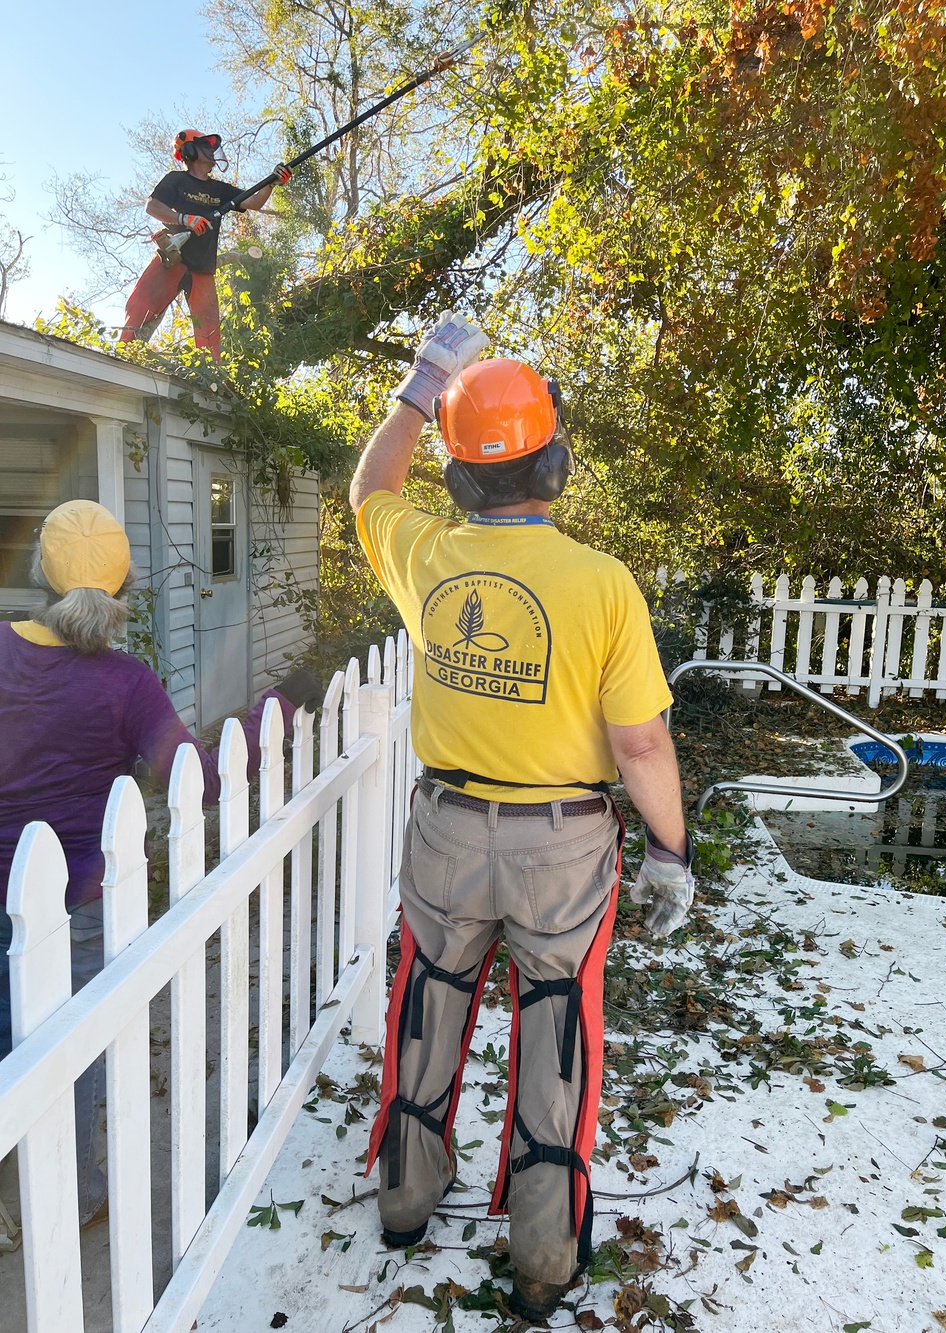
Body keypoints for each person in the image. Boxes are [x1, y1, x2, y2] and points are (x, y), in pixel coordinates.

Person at [351, 315, 694, 1321]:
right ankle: (543, 1261)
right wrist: (672, 849)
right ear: (555, 461)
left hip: (447, 830)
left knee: (429, 1002)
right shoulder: (599, 583)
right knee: (556, 1034)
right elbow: (640, 744)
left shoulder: (423, 554)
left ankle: (406, 1202)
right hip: (564, 847)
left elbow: (370, 489)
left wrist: (423, 382)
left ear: (456, 478)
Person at [0, 499, 322, 1227]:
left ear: (38, 573)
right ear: (121, 589)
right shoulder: (126, 684)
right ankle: (70, 1196)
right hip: (76, 906)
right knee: (62, 1057)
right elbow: (198, 780)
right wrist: (274, 704)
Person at [118, 131, 291, 360]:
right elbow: (152, 207)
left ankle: (210, 379)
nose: (211, 151)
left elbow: (253, 202)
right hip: (173, 258)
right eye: (205, 146)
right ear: (189, 150)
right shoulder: (176, 180)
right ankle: (122, 357)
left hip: (202, 267)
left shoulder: (220, 190)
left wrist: (272, 183)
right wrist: (184, 219)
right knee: (140, 307)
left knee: (209, 331)